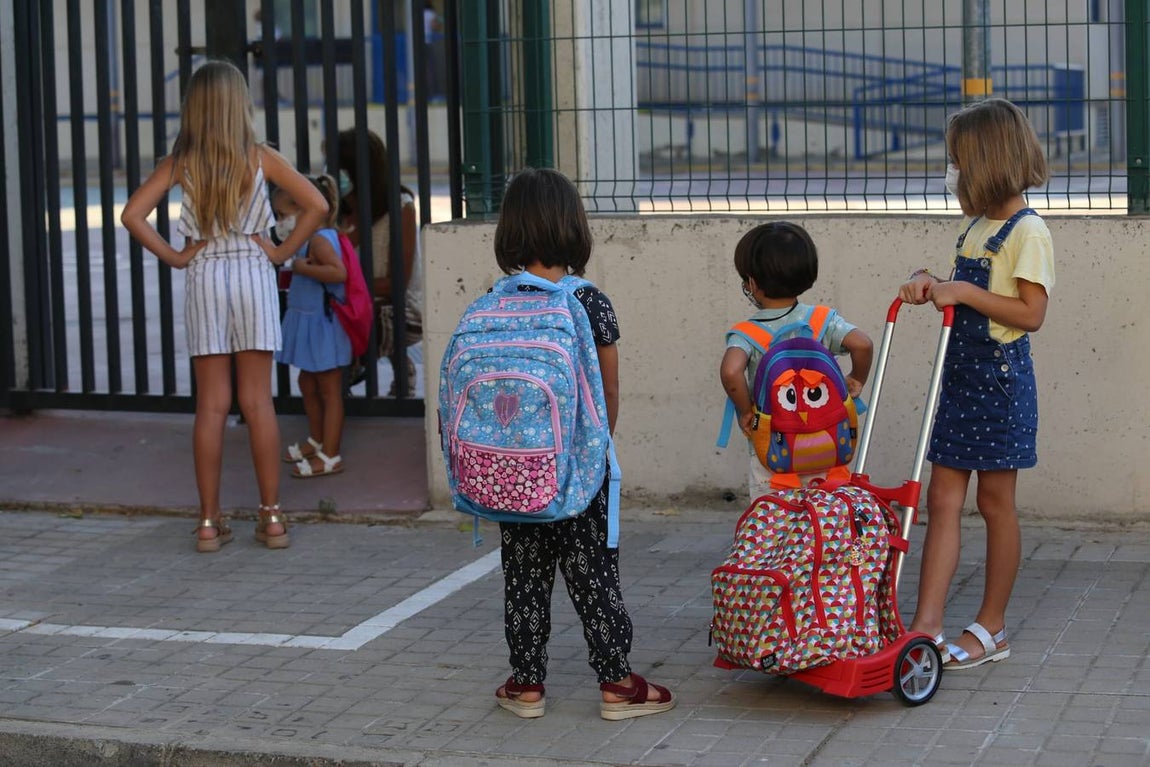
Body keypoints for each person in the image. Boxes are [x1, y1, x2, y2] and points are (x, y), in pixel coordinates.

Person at [488, 168, 675, 721]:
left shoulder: (497, 299)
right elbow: (608, 390)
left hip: (514, 468)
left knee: (522, 575)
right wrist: (595, 451)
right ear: (574, 227)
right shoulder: (590, 301)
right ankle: (617, 683)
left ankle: (526, 685)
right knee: (593, 572)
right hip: (577, 469)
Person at [121, 60, 327, 552]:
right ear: (240, 105)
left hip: (206, 273)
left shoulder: (181, 163)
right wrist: (279, 252)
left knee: (211, 405)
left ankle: (209, 523)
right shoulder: (261, 157)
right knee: (258, 401)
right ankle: (272, 518)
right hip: (254, 272)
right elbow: (317, 204)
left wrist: (174, 256)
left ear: (194, 108)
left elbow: (132, 214)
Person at [898, 98, 1053, 670]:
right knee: (941, 500)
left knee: (994, 502)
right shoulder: (977, 226)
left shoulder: (1026, 232)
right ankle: (927, 624)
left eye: (957, 160)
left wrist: (959, 292)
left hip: (1001, 382)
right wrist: (929, 281)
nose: (952, 171)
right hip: (960, 379)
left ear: (984, 162)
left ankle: (992, 626)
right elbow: (962, 290)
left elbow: (1030, 312)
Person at [719, 221, 873, 500]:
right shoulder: (822, 321)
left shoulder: (747, 334)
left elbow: (731, 371)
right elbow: (862, 344)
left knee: (774, 520)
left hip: (774, 453)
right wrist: (856, 379)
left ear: (751, 283)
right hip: (828, 447)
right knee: (824, 517)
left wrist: (745, 410)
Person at [273, 176, 349, 480]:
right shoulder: (305, 239)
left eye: (284, 215)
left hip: (323, 325)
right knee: (307, 381)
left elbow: (337, 273)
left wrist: (303, 267)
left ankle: (331, 455)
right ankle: (317, 440)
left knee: (330, 390)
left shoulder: (320, 239)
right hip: (307, 320)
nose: (280, 222)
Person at [336, 128, 421, 395]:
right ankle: (339, 382)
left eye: (340, 168)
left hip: (397, 309)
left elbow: (397, 283)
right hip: (351, 299)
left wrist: (345, 286)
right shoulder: (335, 207)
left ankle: (391, 371)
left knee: (360, 313)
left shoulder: (399, 206)